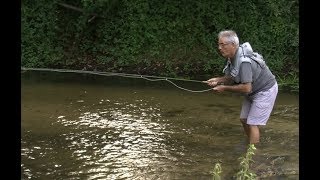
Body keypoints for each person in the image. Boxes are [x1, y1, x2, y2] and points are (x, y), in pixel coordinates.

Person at [204, 30, 278, 145]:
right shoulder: (232, 57)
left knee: (253, 123)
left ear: (233, 45)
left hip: (265, 90)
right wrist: (218, 80)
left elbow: (246, 88)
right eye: (219, 44)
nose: (219, 48)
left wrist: (224, 88)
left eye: (223, 44)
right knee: (244, 119)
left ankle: (251, 155)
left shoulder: (244, 62)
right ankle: (252, 142)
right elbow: (232, 76)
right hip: (252, 91)